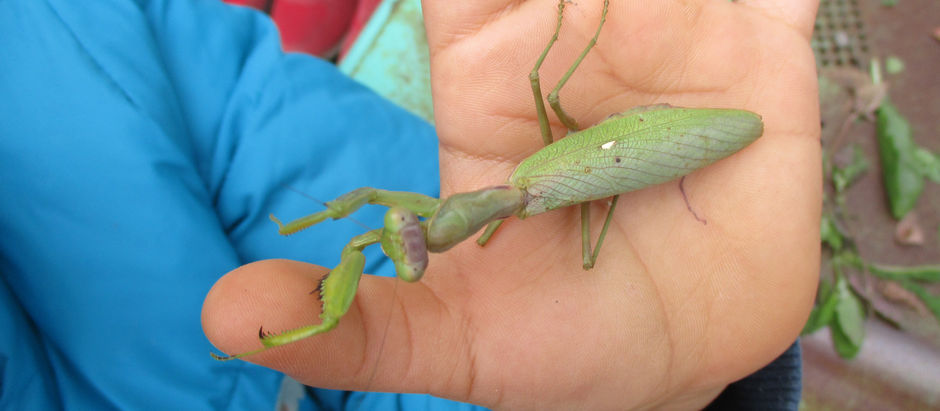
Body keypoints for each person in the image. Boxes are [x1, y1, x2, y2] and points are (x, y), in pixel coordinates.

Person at [1, 0, 820, 409]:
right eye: (413, 239)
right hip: (593, 173)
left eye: (407, 233)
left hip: (619, 157)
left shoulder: (56, 41)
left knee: (554, 124)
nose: (397, 233)